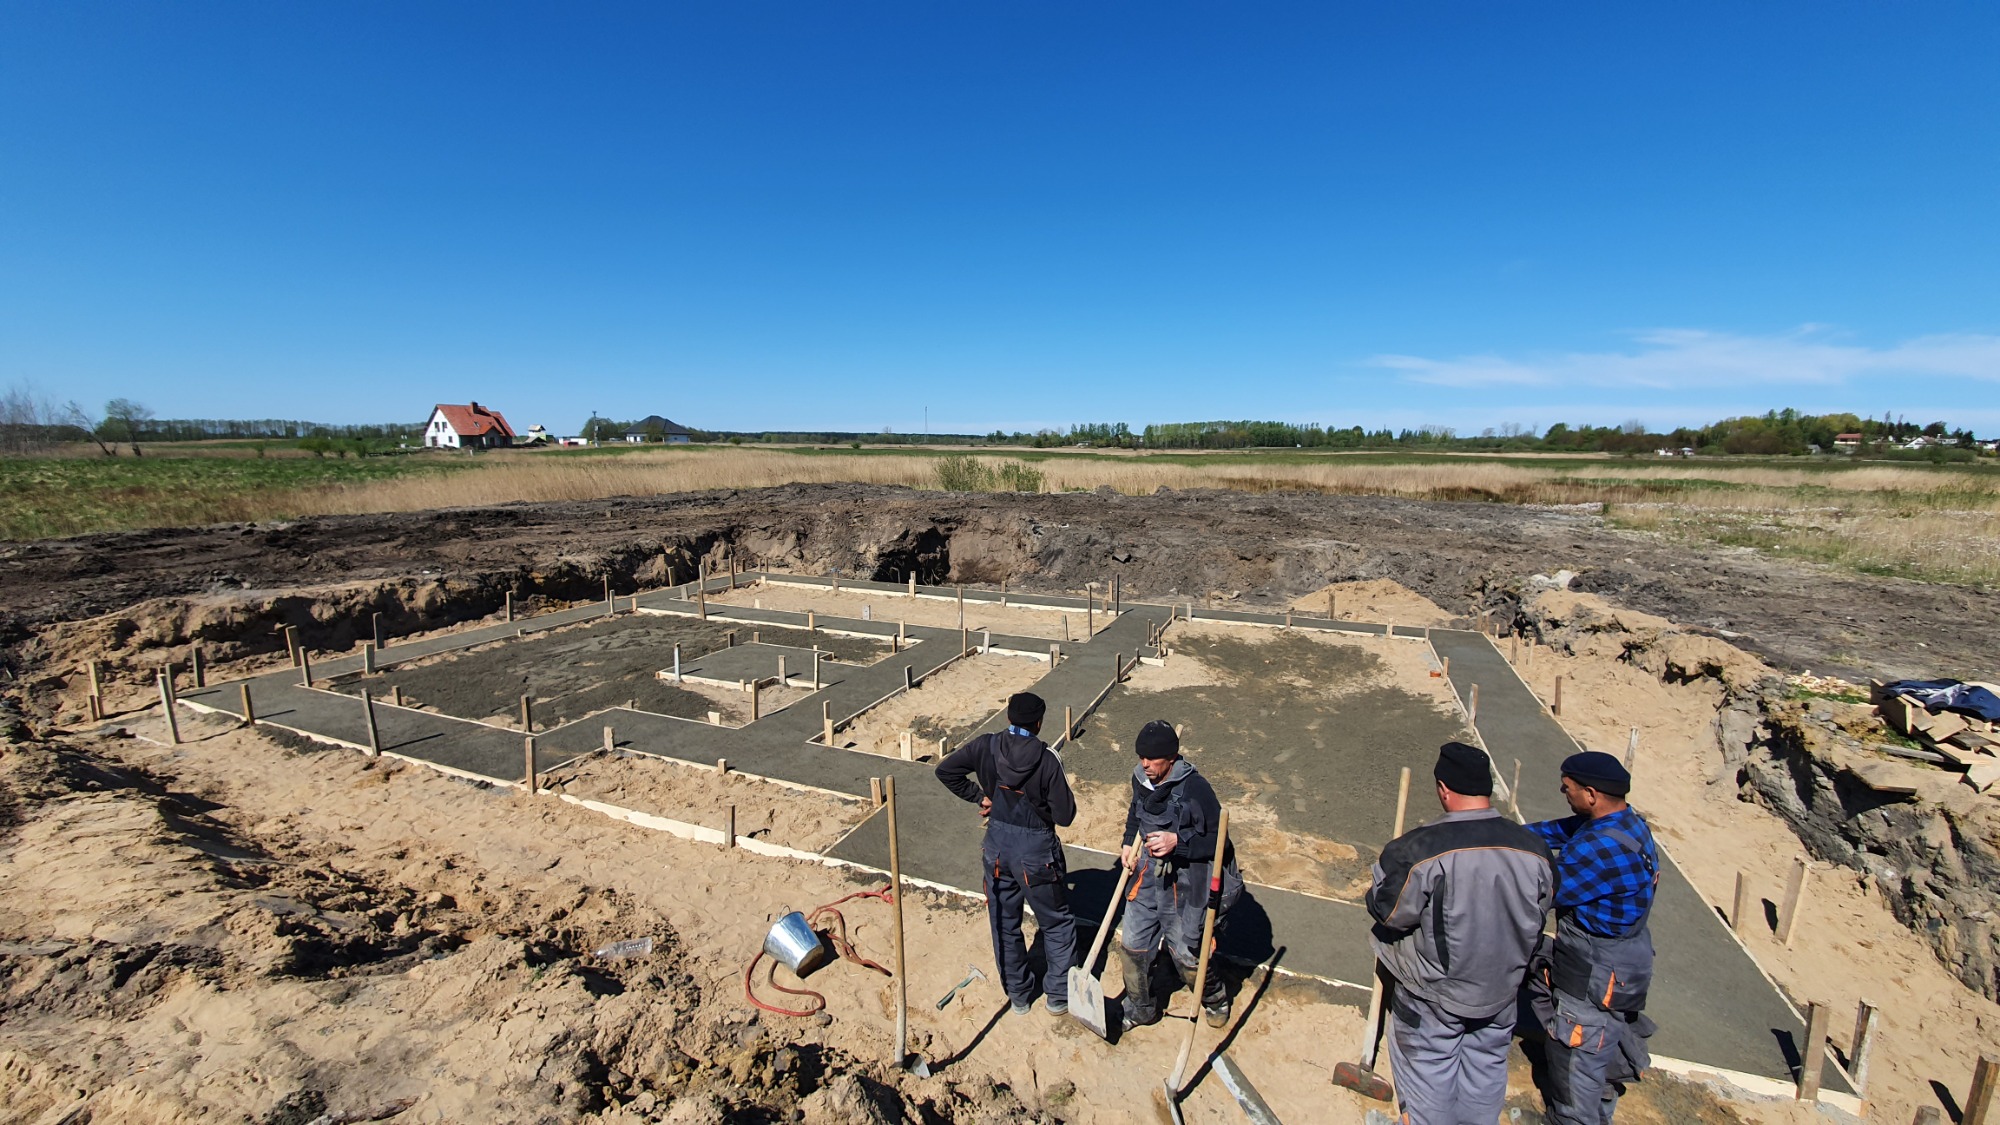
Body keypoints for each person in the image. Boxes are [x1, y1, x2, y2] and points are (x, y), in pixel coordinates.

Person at [1365, 742, 1554, 1125]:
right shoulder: (1535, 849)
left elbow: (1390, 912)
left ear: (1443, 789)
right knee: (1484, 1075)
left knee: (1429, 1083)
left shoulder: (1420, 850)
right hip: (1502, 993)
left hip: (1434, 995)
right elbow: (1543, 908)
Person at [1525, 751, 1660, 1125]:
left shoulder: (1598, 850)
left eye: (1567, 788)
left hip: (1595, 968)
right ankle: (1601, 1107)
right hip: (1625, 962)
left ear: (1590, 794)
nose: (1561, 792)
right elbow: (1558, 831)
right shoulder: (1626, 824)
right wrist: (1504, 834)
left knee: (1575, 1063)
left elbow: (1543, 891)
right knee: (1603, 1050)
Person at [935, 691, 1079, 1015]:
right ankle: (1058, 997)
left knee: (1004, 922)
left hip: (997, 846)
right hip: (1036, 850)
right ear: (1039, 723)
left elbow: (946, 772)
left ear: (1008, 718)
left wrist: (981, 797)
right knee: (1056, 924)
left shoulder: (985, 745)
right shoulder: (1047, 758)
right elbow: (1065, 815)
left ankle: (1019, 996)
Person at [1117, 719, 1241, 1032]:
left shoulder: (1196, 789)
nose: (1144, 764)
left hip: (1186, 879)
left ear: (1171, 759)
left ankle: (1214, 997)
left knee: (1187, 954)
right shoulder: (1140, 778)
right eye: (1141, 757)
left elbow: (1219, 841)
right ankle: (1141, 1008)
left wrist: (1178, 842)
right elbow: (1136, 814)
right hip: (1147, 872)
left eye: (1152, 759)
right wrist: (1126, 843)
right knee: (1132, 946)